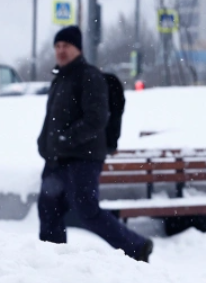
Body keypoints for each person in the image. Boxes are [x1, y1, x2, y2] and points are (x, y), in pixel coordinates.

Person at [37, 26, 153, 262]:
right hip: (57, 158)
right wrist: (44, 142)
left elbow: (96, 119)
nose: (61, 51)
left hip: (83, 158)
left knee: (87, 212)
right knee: (48, 210)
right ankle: (51, 260)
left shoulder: (89, 76)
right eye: (58, 46)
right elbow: (52, 118)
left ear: (77, 48)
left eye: (66, 46)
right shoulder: (60, 78)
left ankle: (137, 247)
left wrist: (65, 139)